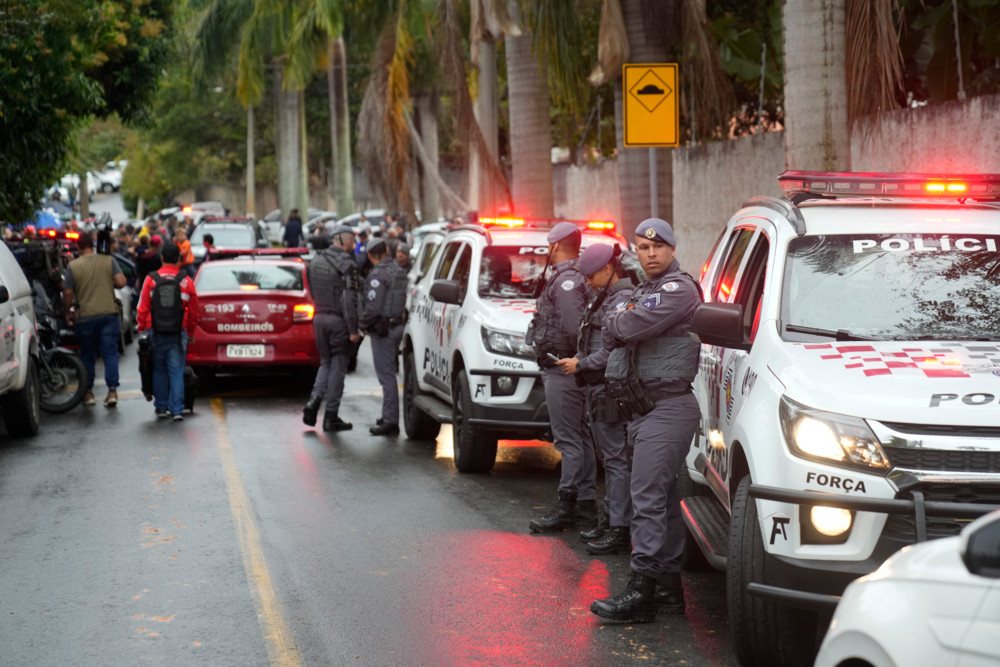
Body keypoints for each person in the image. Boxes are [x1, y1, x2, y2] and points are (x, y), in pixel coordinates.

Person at [589, 218, 702, 624]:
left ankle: (641, 589)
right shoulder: (641, 291)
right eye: (642, 247)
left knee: (646, 500)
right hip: (642, 411)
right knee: (663, 502)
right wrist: (621, 321)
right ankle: (668, 592)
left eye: (658, 247)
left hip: (669, 407)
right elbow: (612, 327)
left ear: (671, 249)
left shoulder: (678, 288)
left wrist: (622, 320)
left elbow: (627, 324)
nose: (650, 253)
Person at [556, 243, 636, 554]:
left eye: (591, 276)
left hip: (610, 387)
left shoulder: (621, 298)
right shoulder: (604, 296)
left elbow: (614, 349)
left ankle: (619, 527)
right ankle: (611, 520)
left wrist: (581, 364)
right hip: (599, 386)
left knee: (615, 460)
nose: (587, 282)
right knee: (610, 458)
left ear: (608, 269)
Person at [525, 221, 597, 533]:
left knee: (569, 440)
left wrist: (576, 361)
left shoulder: (567, 280)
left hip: (564, 369)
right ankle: (585, 505)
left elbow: (574, 327)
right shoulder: (576, 275)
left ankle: (569, 505)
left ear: (556, 245)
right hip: (570, 369)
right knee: (580, 437)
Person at [302, 224, 361, 431]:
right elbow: (349, 300)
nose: (354, 245)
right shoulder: (347, 265)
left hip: (319, 319)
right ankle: (331, 416)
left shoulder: (315, 260)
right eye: (352, 241)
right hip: (338, 322)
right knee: (338, 368)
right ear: (344, 241)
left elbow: (309, 291)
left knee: (325, 363)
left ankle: (314, 401)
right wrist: (353, 329)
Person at [61, 233, 127, 407]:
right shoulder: (108, 260)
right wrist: (107, 283)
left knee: (88, 355)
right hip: (108, 313)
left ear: (78, 247)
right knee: (110, 353)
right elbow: (121, 282)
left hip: (85, 317)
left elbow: (67, 293)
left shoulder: (72, 266)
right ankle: (112, 391)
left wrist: (67, 312)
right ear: (93, 245)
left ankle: (88, 393)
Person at [135, 242, 199, 421]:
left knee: (159, 370)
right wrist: (191, 331)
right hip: (179, 333)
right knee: (176, 371)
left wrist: (142, 327)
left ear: (162, 258)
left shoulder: (151, 279)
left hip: (155, 331)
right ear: (178, 259)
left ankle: (161, 407)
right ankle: (177, 410)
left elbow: (142, 308)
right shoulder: (186, 281)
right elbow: (194, 311)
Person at [358, 239, 408, 436]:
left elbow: (373, 306)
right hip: (398, 326)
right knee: (390, 374)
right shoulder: (399, 270)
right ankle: (388, 414)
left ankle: (390, 421)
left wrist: (361, 325)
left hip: (384, 330)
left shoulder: (378, 274)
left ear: (371, 256)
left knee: (386, 376)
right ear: (387, 251)